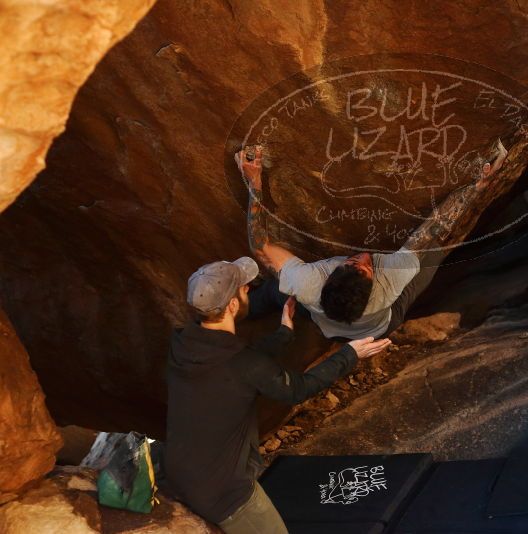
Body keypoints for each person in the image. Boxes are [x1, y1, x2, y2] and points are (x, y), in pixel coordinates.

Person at [165, 257, 390, 534]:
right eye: (244, 289)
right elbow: (299, 388)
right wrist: (350, 354)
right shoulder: (243, 365)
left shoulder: (183, 342)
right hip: (223, 493)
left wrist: (284, 332)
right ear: (233, 305)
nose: (249, 290)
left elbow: (239, 365)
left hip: (178, 470)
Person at [235, 140, 507, 341]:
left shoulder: (307, 283)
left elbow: (260, 246)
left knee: (275, 289)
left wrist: (254, 183)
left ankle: (235, 314)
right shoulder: (392, 279)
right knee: (433, 249)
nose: (365, 256)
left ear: (327, 279)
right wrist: (477, 187)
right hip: (379, 326)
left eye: (354, 262)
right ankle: (236, 315)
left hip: (327, 323)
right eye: (365, 267)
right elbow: (435, 227)